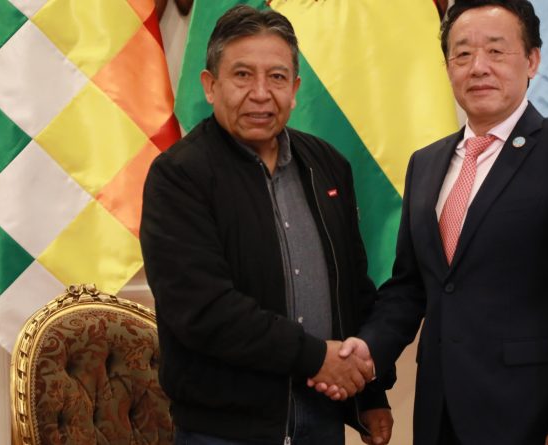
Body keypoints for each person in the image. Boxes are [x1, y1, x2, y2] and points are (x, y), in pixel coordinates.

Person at [314, 1, 548, 444]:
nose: (478, 67)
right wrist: (367, 352)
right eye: (462, 54)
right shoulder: (426, 163)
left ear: (532, 60)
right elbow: (409, 289)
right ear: (447, 67)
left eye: (496, 51)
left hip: (529, 417)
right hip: (439, 413)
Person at [139, 5, 393, 445]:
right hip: (225, 430)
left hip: (323, 419)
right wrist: (316, 357)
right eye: (242, 75)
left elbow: (353, 288)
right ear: (210, 86)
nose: (260, 93)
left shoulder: (328, 166)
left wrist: (371, 392)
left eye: (276, 77)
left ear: (294, 90)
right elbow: (204, 311)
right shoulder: (178, 176)